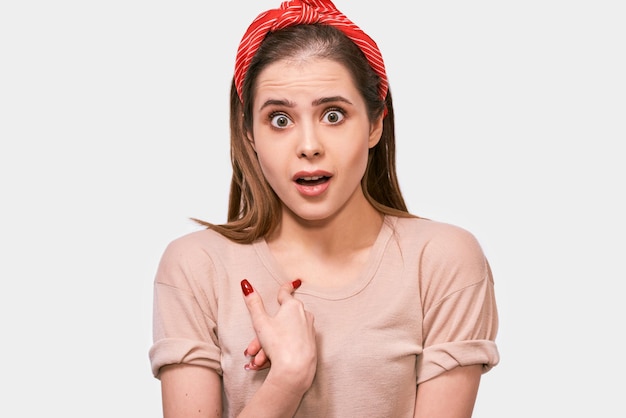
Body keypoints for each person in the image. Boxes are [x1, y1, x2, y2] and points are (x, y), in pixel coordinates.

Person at [149, 0, 500, 416]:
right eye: (280, 119)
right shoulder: (196, 267)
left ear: (374, 124)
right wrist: (286, 380)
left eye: (333, 115)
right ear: (249, 135)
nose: (309, 145)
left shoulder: (441, 261)